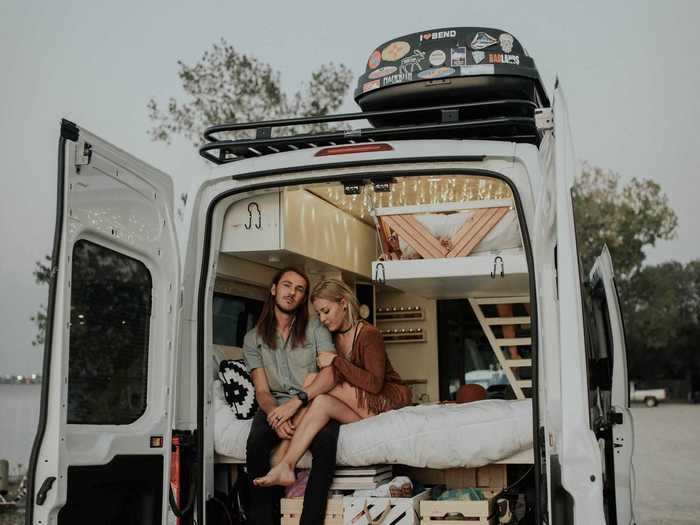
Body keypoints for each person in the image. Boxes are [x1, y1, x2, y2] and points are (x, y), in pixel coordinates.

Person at [254, 278, 412, 487]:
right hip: (359, 407)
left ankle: (282, 451)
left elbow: (374, 383)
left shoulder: (368, 335)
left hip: (385, 399)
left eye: (326, 311)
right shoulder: (333, 337)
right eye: (319, 313)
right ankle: (287, 465)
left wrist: (336, 362)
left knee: (314, 381)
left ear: (344, 303)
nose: (322, 318)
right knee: (320, 403)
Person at [243, 267, 339, 525]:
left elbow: (330, 375)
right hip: (274, 405)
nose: (292, 293)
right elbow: (262, 391)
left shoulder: (316, 327)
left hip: (310, 400)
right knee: (255, 444)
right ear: (274, 289)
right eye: (287, 285)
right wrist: (277, 415)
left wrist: (297, 404)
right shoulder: (253, 339)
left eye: (299, 289)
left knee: (326, 443)